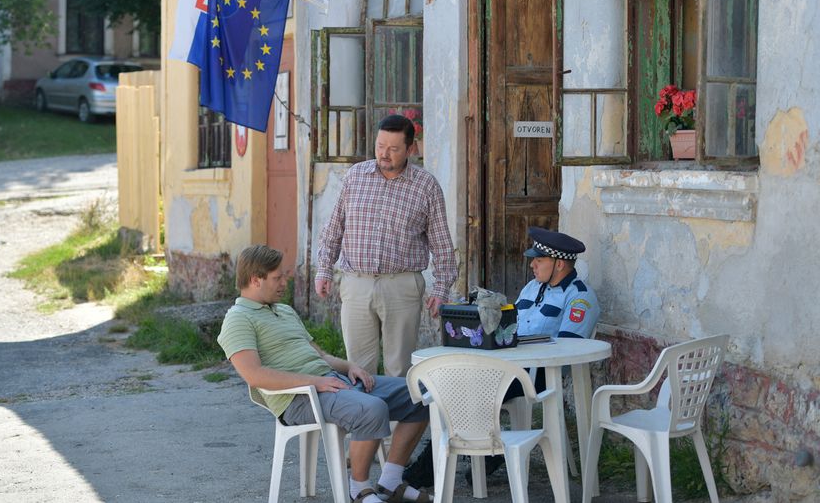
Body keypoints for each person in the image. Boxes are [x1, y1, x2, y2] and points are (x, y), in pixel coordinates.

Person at [218, 245, 432, 503]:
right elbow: (254, 376)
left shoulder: (283, 310)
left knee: (419, 393)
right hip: (297, 398)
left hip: (329, 381)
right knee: (372, 409)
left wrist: (350, 366)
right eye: (278, 278)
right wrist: (316, 382)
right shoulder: (237, 319)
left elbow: (320, 356)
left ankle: (390, 482)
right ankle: (359, 490)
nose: (284, 283)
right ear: (255, 280)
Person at [407, 226, 603, 488]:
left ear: (559, 264)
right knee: (450, 385)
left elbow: (568, 349)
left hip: (541, 375)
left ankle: (446, 465)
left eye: (539, 259)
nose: (532, 264)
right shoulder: (532, 288)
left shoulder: (579, 295)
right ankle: (484, 453)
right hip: (508, 367)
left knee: (467, 389)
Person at [315, 113, 457, 379]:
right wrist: (324, 269)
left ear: (410, 149)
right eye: (380, 146)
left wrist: (442, 288)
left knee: (399, 369)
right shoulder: (355, 177)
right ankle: (364, 421)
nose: (385, 154)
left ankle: (400, 422)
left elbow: (442, 244)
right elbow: (334, 228)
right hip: (356, 283)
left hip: (402, 285)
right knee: (357, 368)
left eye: (393, 149)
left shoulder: (426, 186)